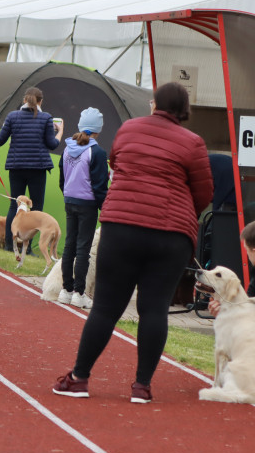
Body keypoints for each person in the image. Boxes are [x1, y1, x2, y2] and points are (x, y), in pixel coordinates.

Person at [53, 82, 212, 404]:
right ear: (184, 109)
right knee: (153, 309)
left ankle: (80, 377)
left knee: (106, 307)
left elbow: (116, 163)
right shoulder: (193, 142)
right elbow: (204, 194)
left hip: (121, 228)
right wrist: (179, 213)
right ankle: (141, 386)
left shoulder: (128, 129)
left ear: (154, 105)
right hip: (170, 235)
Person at [0, 86, 63, 252]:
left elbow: (0, 139)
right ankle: (28, 248)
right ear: (40, 101)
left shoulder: (13, 116)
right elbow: (52, 144)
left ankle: (9, 245)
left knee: (14, 206)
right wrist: (60, 132)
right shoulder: (46, 118)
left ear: (24, 100)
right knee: (36, 209)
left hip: (16, 166)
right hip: (38, 169)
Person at [57, 108, 109, 308]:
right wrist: (104, 207)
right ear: (98, 130)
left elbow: (62, 180)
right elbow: (100, 186)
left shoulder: (67, 148)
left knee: (70, 245)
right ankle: (79, 292)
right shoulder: (97, 152)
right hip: (87, 204)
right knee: (83, 248)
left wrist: (68, 193)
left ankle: (65, 290)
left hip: (70, 200)